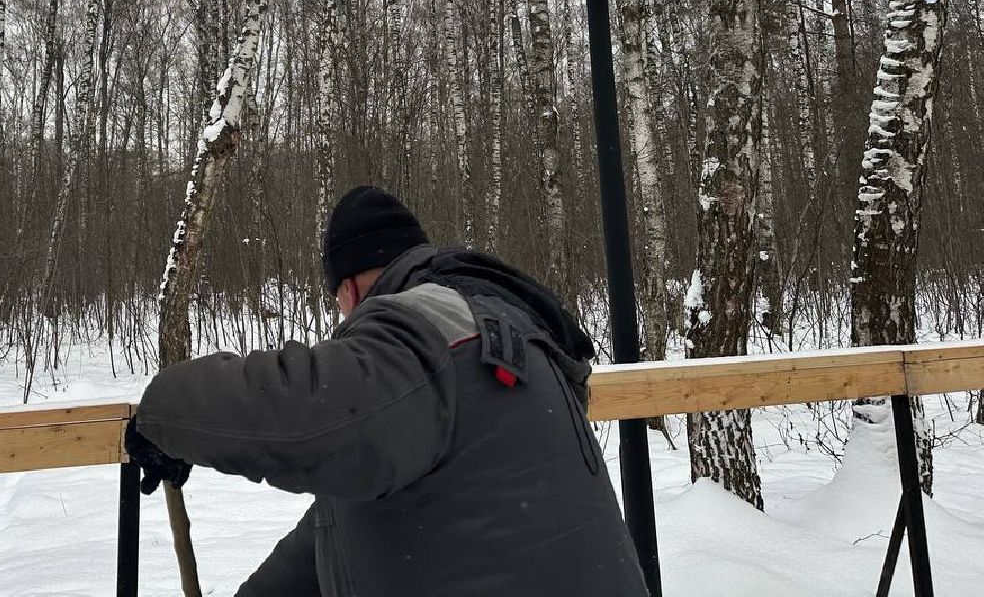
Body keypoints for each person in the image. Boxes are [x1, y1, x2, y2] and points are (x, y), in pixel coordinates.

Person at [126, 185, 648, 596]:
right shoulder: (504, 327)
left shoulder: (424, 332)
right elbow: (336, 527)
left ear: (348, 290)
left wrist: (161, 414)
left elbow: (305, 413)